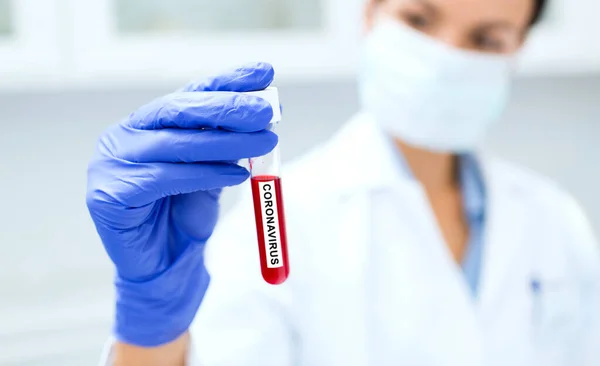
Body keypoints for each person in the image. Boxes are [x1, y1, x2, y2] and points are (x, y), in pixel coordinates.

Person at [87, 0, 600, 365]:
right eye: (419, 18)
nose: (447, 57)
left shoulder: (554, 221)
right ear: (370, 13)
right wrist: (151, 331)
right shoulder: (270, 232)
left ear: (519, 47)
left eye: (486, 39)